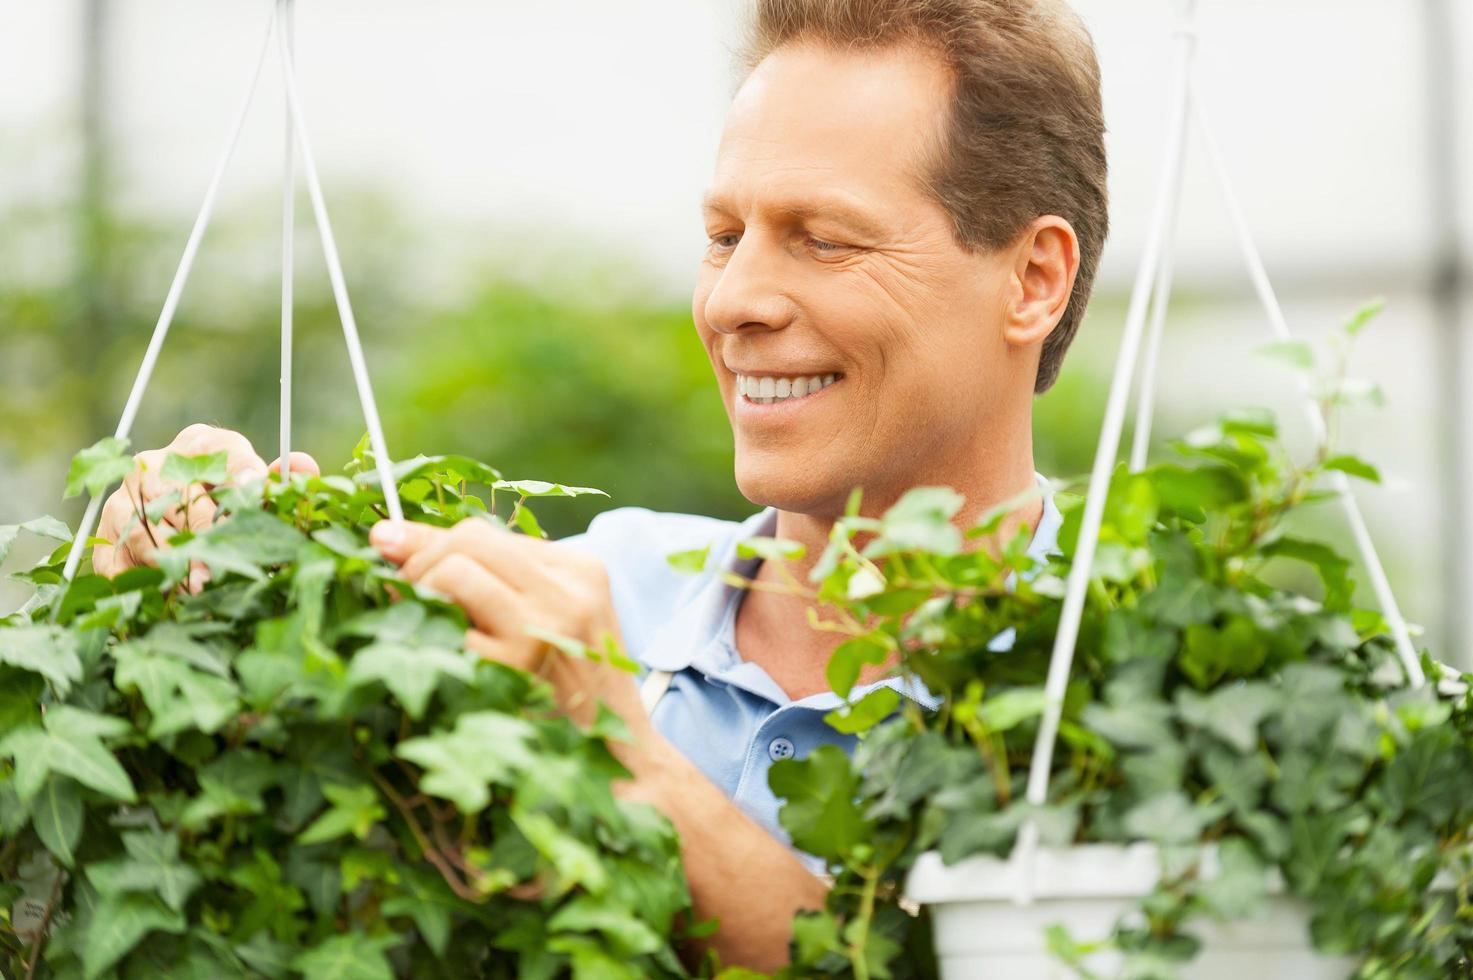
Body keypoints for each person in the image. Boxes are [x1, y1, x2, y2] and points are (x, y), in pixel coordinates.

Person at [92, 0, 1108, 968]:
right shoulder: (593, 590)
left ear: (1032, 279)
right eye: (723, 235)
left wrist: (622, 758)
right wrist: (202, 584)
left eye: (824, 238)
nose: (735, 300)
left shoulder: (1150, 682)